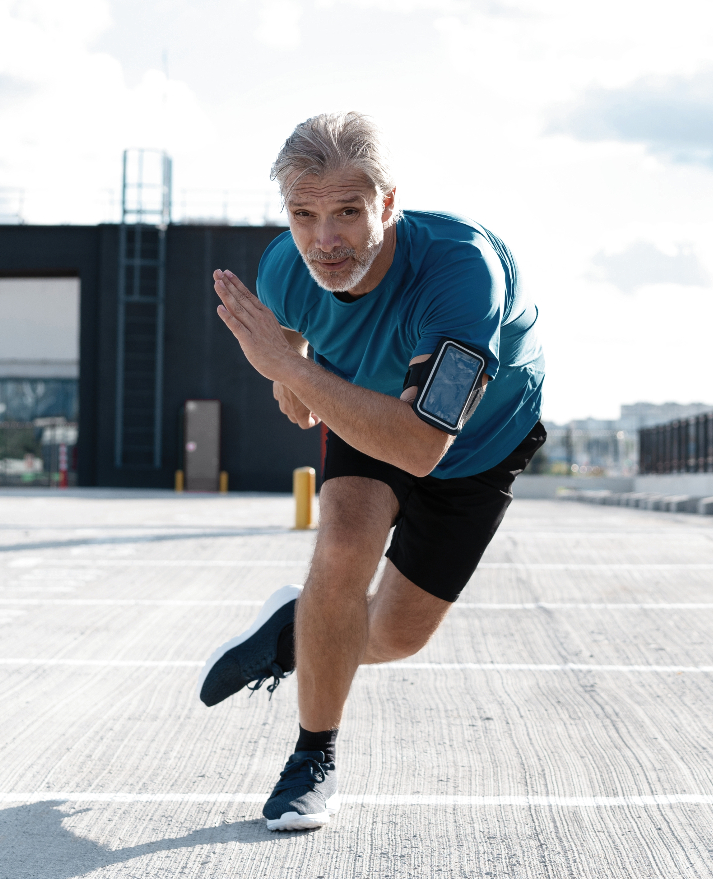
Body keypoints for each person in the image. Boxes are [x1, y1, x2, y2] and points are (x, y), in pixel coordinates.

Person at [197, 111, 545, 831]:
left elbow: (421, 445)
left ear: (388, 204)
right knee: (344, 544)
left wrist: (290, 368)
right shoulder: (287, 268)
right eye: (304, 215)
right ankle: (311, 759)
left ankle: (296, 631)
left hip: (473, 443)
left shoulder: (460, 274)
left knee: (394, 634)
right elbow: (290, 327)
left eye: (348, 212)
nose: (326, 240)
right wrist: (288, 370)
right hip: (366, 407)